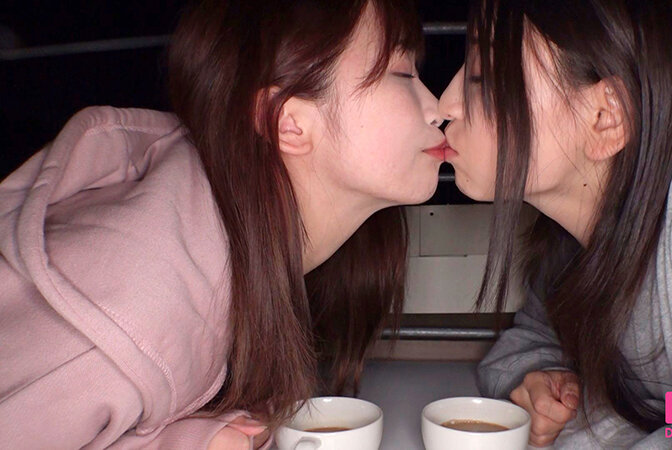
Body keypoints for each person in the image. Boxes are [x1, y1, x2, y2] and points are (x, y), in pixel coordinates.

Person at [0, 0, 446, 448]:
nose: (437, 107)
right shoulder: (130, 305)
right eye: (402, 73)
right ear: (288, 123)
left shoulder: (254, 256)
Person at [438, 0, 672, 447]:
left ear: (606, 117)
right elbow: (529, 341)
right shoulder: (583, 240)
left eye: (482, 76)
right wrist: (543, 384)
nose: (446, 103)